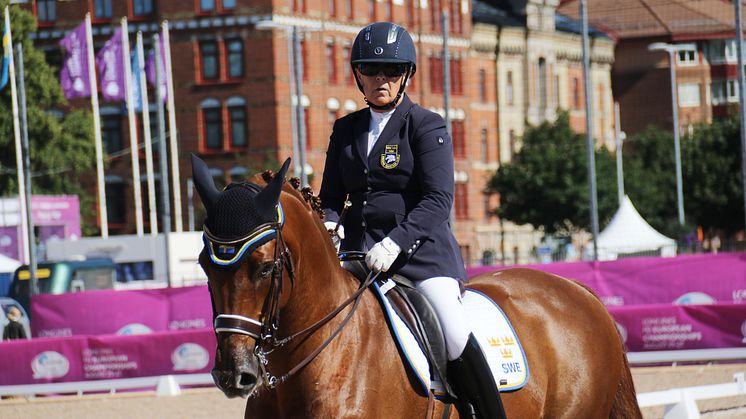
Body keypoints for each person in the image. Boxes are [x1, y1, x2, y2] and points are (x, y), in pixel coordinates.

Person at [319, 22, 506, 419]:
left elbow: (439, 198)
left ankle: (488, 414)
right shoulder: (345, 130)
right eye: (370, 70)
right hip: (356, 255)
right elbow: (332, 197)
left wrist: (396, 242)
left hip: (419, 257)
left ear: (407, 75)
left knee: (453, 331)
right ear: (358, 76)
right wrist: (330, 224)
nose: (380, 79)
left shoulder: (425, 125)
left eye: (391, 71)